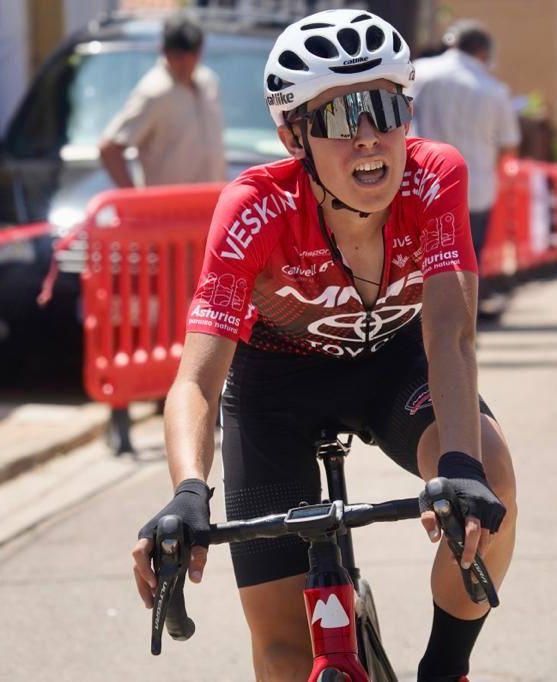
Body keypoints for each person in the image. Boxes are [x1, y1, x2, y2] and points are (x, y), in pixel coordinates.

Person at [129, 9, 516, 682]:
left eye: (386, 107)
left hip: (396, 365)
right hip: (274, 385)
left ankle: (444, 668)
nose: (369, 136)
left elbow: (450, 333)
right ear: (293, 136)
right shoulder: (253, 207)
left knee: (493, 479)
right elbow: (196, 377)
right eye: (340, 117)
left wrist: (459, 462)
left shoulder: (435, 175)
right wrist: (189, 490)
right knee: (284, 655)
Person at [409, 19, 520, 267]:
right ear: (483, 51)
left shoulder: (420, 72)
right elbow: (509, 145)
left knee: (417, 266)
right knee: (466, 264)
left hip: (421, 186)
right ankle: (466, 307)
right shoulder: (495, 90)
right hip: (476, 190)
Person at [99, 13, 226, 187]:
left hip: (212, 204)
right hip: (170, 210)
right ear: (164, 51)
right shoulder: (154, 92)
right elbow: (110, 149)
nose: (187, 64)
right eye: (179, 57)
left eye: (193, 56)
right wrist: (137, 204)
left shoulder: (208, 82)